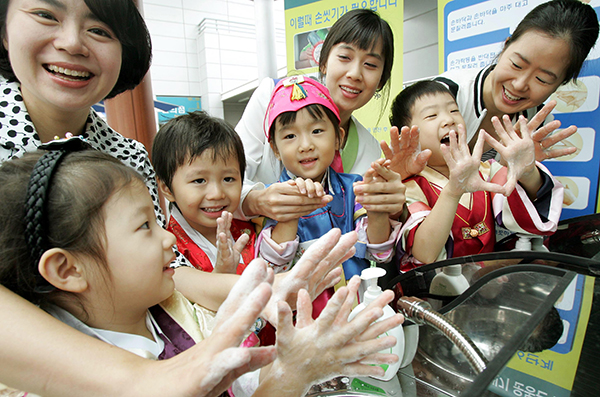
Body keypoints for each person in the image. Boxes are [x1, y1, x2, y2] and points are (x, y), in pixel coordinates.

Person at [0, 142, 403, 397]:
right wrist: (291, 377)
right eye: (145, 226)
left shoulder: (173, 309)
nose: (168, 239)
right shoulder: (54, 383)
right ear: (67, 269)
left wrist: (291, 364)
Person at [383, 0, 600, 177]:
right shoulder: (446, 93)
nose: (519, 84)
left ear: (560, 83)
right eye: (517, 64)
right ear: (506, 46)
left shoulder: (534, 121)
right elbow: (404, 173)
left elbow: (516, 203)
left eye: (542, 79)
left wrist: (525, 172)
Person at [238, 9, 407, 223]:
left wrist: (392, 209)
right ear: (324, 62)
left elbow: (369, 232)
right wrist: (256, 201)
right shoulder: (270, 98)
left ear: (381, 80)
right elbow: (228, 176)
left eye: (370, 65)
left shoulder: (371, 152)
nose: (355, 74)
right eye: (345, 57)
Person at [390, 80, 563, 269]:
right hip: (436, 292)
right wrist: (452, 192)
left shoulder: (486, 171)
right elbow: (425, 254)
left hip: (489, 285)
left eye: (454, 111)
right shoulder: (410, 187)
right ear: (407, 138)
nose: (449, 119)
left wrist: (527, 171)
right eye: (432, 115)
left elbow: (528, 203)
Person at [258, 76, 404, 287]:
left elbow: (380, 253)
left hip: (355, 304)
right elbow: (271, 267)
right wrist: (290, 212)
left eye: (317, 131)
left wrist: (376, 209)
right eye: (290, 136)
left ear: (338, 138)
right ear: (275, 149)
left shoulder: (355, 187)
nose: (305, 145)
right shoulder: (273, 198)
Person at [153, 111, 255, 275]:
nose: (216, 194)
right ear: (166, 189)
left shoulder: (252, 227)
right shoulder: (167, 251)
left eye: (228, 179)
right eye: (199, 181)